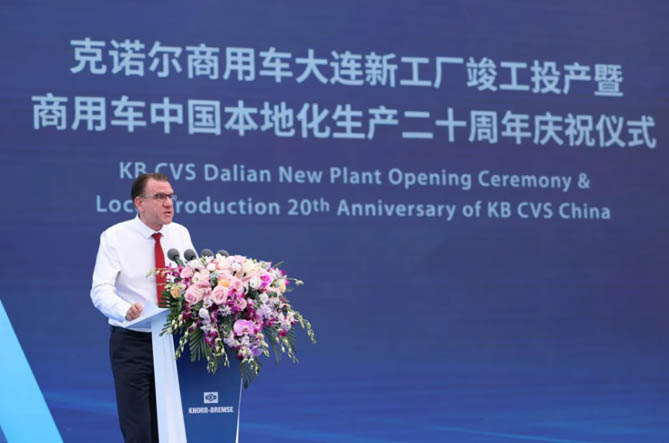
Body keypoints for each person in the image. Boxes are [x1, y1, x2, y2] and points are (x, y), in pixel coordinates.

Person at [91, 173, 194, 442]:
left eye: (170, 196)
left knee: (170, 429)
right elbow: (100, 290)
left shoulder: (180, 234)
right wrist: (123, 309)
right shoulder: (115, 237)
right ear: (139, 203)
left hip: (172, 343)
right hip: (133, 343)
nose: (168, 203)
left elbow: (194, 279)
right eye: (159, 197)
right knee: (138, 431)